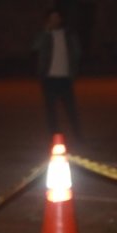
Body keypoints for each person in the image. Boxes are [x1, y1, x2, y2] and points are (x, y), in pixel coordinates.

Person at [33, 9, 82, 140]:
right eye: (52, 18)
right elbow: (35, 46)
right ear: (48, 20)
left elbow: (77, 52)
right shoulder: (45, 35)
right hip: (49, 78)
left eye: (57, 17)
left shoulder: (69, 35)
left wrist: (73, 71)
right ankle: (54, 135)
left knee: (71, 109)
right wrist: (45, 31)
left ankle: (78, 136)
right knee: (51, 110)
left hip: (65, 78)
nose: (55, 20)